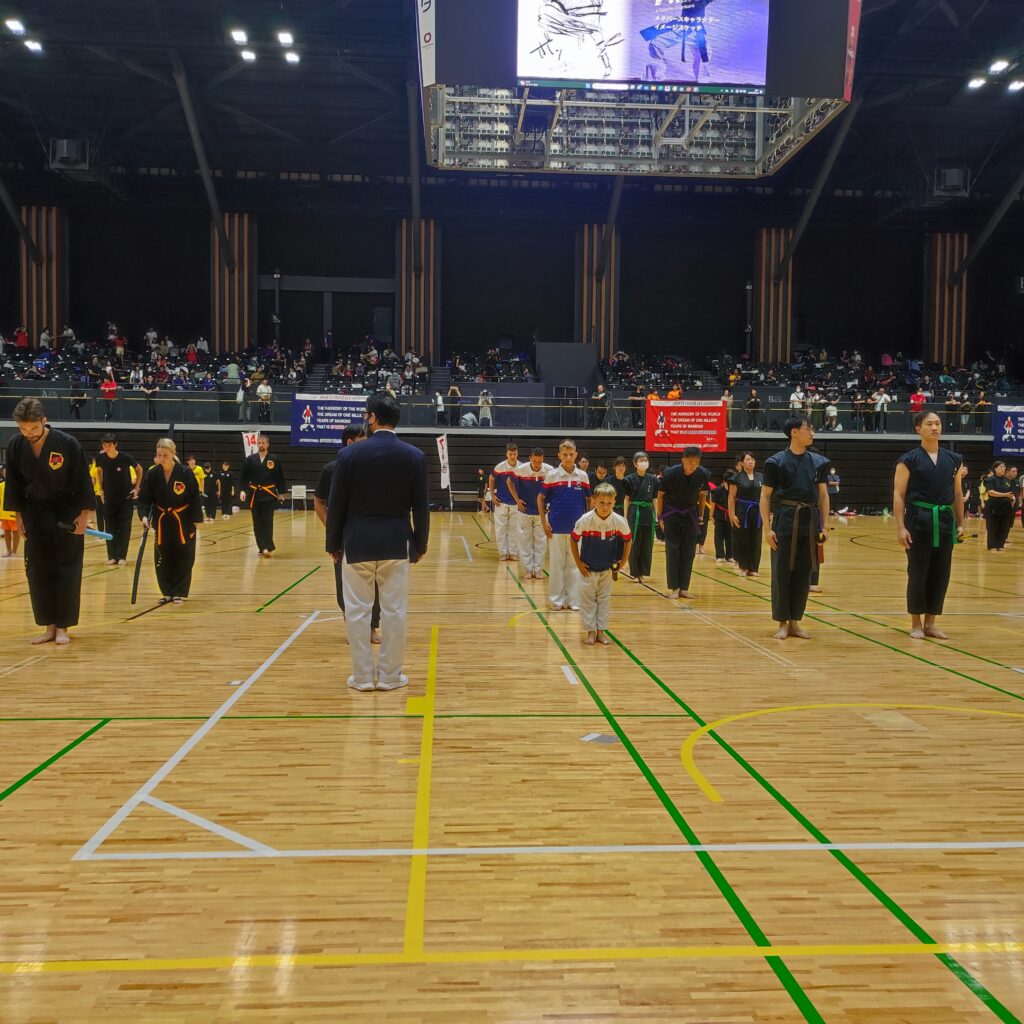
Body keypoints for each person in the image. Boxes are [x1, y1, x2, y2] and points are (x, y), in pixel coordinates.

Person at [326, 392, 429, 692]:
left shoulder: (348, 455)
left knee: (357, 611)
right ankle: (389, 677)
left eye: (366, 415)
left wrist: (333, 544)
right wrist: (420, 544)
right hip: (396, 543)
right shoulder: (414, 456)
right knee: (394, 612)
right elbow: (421, 507)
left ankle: (361, 678)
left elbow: (336, 505)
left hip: (356, 542)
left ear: (372, 417)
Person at [2, 398, 95, 644]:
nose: (29, 433)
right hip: (33, 514)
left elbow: (82, 481)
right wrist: (18, 516)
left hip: (66, 514)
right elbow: (13, 485)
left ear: (44, 421)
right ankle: (49, 626)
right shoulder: (15, 445)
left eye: (33, 428)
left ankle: (63, 626)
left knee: (67, 569)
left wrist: (84, 515)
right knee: (37, 571)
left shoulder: (67, 443)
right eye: (23, 429)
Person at [893, 411, 965, 640]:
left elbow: (957, 493)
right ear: (918, 429)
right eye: (929, 424)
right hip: (918, 519)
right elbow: (898, 494)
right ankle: (916, 623)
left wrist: (960, 523)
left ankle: (931, 622)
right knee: (918, 572)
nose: (935, 427)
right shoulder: (908, 460)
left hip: (944, 520)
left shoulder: (954, 459)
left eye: (938, 423)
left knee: (941, 573)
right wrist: (901, 527)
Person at [760, 416, 830, 640]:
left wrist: (825, 526)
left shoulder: (819, 462)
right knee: (782, 572)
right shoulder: (775, 462)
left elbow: (823, 496)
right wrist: (767, 529)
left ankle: (795, 622)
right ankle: (782, 622)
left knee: (803, 572)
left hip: (809, 520)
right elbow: (765, 496)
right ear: (794, 432)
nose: (812, 433)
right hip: (785, 518)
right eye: (808, 429)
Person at [314, 425, 381, 644]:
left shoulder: (373, 468)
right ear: (350, 442)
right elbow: (318, 502)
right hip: (343, 537)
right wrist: (332, 527)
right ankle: (353, 626)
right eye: (363, 439)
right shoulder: (331, 469)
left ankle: (372, 625)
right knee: (344, 583)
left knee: (374, 581)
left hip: (370, 532)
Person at [137, 438, 203, 605]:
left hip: (183, 520)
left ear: (173, 454)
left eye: (165, 455)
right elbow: (144, 499)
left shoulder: (185, 473)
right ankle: (166, 591)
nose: (161, 458)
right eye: (159, 455)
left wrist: (195, 522)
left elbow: (195, 498)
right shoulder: (153, 474)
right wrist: (144, 516)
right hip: (162, 521)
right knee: (162, 556)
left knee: (184, 556)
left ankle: (179, 591)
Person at [571, 483, 633, 646]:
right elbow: (573, 539)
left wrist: (623, 561)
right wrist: (579, 563)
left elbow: (628, 539)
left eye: (609, 503)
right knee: (588, 600)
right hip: (588, 568)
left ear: (614, 502)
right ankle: (590, 632)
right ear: (593, 501)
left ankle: (601, 632)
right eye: (601, 503)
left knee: (604, 600)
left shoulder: (619, 521)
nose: (605, 507)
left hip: (606, 568)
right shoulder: (585, 520)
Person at [540, 439, 590, 612]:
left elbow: (589, 500)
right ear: (559, 455)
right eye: (565, 454)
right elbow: (540, 499)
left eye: (571, 454)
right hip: (556, 528)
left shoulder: (583, 476)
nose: (568, 457)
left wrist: (587, 523)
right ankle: (557, 600)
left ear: (576, 455)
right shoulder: (552, 475)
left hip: (577, 530)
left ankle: (574, 600)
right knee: (557, 565)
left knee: (575, 565)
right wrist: (544, 522)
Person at [656, 445, 710, 600]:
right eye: (690, 462)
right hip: (671, 514)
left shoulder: (703, 474)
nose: (693, 465)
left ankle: (684, 588)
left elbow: (702, 495)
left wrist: (701, 515)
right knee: (673, 550)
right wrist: (660, 517)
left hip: (691, 515)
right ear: (683, 460)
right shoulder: (670, 473)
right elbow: (660, 495)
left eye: (696, 462)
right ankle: (674, 588)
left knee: (689, 551)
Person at [95, 433, 143, 566]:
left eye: (109, 444)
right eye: (104, 445)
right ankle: (112, 556)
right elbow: (98, 472)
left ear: (115, 444)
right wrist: (101, 490)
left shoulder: (125, 458)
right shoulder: (100, 458)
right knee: (110, 526)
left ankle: (122, 556)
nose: (107, 447)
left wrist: (136, 488)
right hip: (109, 498)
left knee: (124, 527)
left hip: (125, 499)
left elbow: (139, 470)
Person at [508, 447, 552, 580]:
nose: (537, 464)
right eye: (534, 461)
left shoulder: (549, 470)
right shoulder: (521, 469)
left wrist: (549, 504)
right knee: (524, 541)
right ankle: (528, 570)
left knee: (541, 542)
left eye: (539, 461)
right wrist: (517, 500)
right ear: (530, 459)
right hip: (524, 511)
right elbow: (509, 482)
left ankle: (538, 570)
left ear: (543, 459)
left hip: (542, 513)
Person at [239, 434, 287, 557]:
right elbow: (243, 477)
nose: (261, 445)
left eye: (263, 443)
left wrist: (281, 493)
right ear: (257, 444)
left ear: (268, 444)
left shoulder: (274, 459)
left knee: (267, 520)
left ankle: (268, 546)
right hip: (254, 494)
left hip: (268, 494)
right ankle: (262, 547)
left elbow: (279, 477)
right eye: (259, 443)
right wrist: (242, 490)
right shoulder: (250, 459)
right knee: (257, 521)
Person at [623, 451, 658, 582]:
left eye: (645, 460)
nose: (644, 462)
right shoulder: (629, 479)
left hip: (648, 512)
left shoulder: (653, 479)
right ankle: (635, 573)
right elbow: (626, 499)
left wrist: (656, 515)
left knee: (647, 543)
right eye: (641, 460)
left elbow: (654, 498)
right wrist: (625, 517)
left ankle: (643, 572)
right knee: (634, 543)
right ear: (635, 463)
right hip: (634, 512)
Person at [728, 451, 762, 578]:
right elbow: (731, 497)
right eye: (748, 459)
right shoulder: (736, 478)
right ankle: (743, 567)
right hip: (742, 511)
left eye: (752, 459)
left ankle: (753, 568)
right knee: (742, 539)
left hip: (757, 512)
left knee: (756, 540)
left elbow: (765, 497)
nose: (751, 461)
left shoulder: (761, 477)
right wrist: (732, 514)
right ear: (742, 463)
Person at [489, 442, 521, 561]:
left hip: (516, 504)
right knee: (501, 529)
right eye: (510, 454)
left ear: (517, 453)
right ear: (506, 454)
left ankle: (513, 553)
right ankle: (502, 553)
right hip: (501, 503)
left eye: (514, 454)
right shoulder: (500, 467)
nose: (512, 456)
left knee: (515, 530)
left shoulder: (522, 467)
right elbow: (491, 478)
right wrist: (492, 495)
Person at [983, 461, 1015, 552]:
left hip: (1005, 506)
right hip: (994, 506)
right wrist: (1005, 495)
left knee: (1004, 526)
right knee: (992, 526)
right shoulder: (990, 479)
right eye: (1001, 467)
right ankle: (992, 546)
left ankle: (1000, 545)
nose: (1003, 469)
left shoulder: (1007, 480)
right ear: (995, 468)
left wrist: (1013, 499)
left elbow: (1011, 492)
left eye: (1004, 467)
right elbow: (991, 492)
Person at [711, 471, 735, 563]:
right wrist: (711, 515)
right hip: (719, 515)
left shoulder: (735, 490)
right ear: (724, 482)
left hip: (731, 515)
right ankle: (720, 555)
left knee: (730, 536)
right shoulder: (717, 491)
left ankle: (730, 555)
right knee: (719, 535)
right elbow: (713, 504)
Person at [0, 464, 21, 558]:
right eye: (5, 472)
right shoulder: (1, 486)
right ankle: (8, 551)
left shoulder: (17, 486)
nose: (6, 474)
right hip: (4, 514)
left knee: (15, 532)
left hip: (14, 513)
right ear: (2, 473)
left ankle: (14, 551)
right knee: (6, 532)